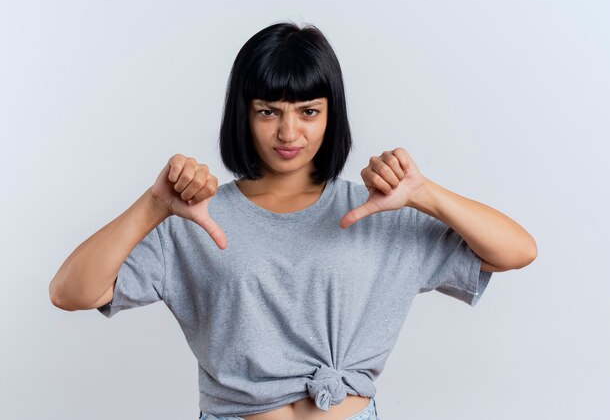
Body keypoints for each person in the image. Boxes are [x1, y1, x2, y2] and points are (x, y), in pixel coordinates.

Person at [49, 22, 537, 420]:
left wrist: (424, 194)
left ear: (331, 115)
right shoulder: (193, 217)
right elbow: (71, 292)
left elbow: (517, 251)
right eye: (268, 111)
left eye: (308, 111)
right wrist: (153, 205)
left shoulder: (378, 211)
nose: (289, 132)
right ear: (243, 114)